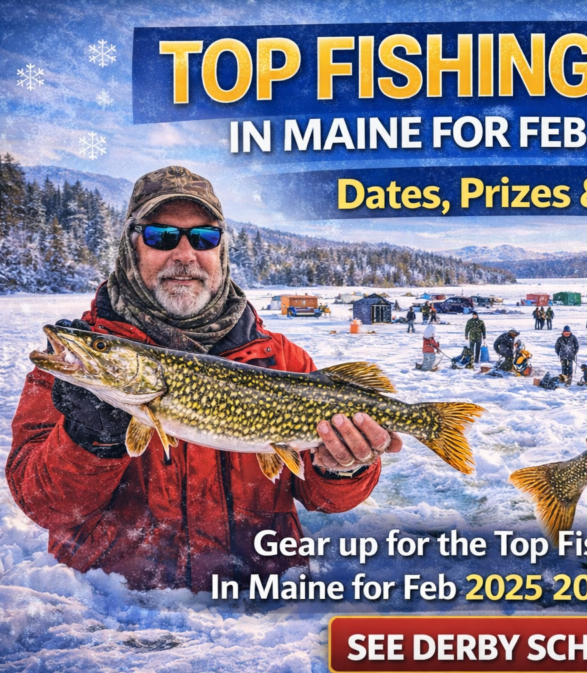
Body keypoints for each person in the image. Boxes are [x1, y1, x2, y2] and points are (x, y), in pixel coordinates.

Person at [7, 166, 403, 593]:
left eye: (203, 238)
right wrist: (88, 440)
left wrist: (342, 469)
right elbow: (44, 506)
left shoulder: (281, 358)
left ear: (221, 251)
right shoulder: (76, 375)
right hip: (117, 611)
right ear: (131, 246)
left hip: (262, 606)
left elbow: (325, 498)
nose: (184, 254)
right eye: (161, 236)